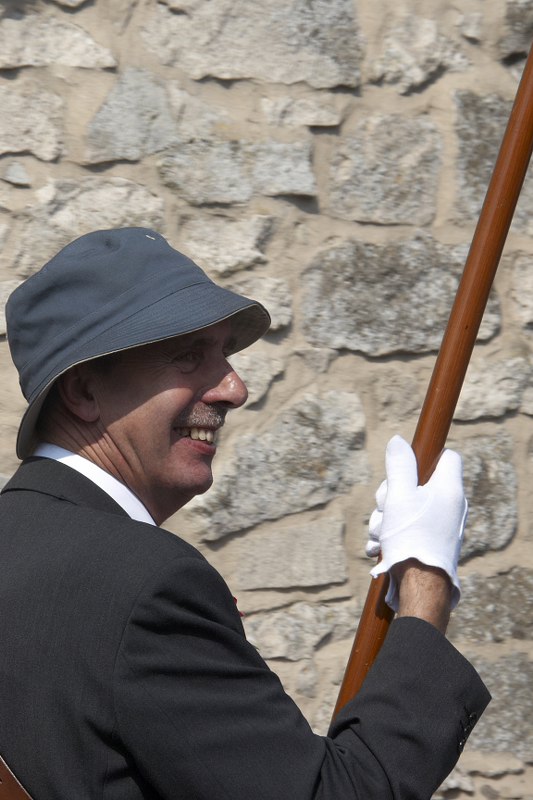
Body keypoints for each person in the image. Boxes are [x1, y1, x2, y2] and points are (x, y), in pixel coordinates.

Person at [0, 227, 489, 800]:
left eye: (225, 356)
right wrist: (426, 589)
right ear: (83, 392)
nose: (235, 388)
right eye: (188, 356)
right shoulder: (145, 583)